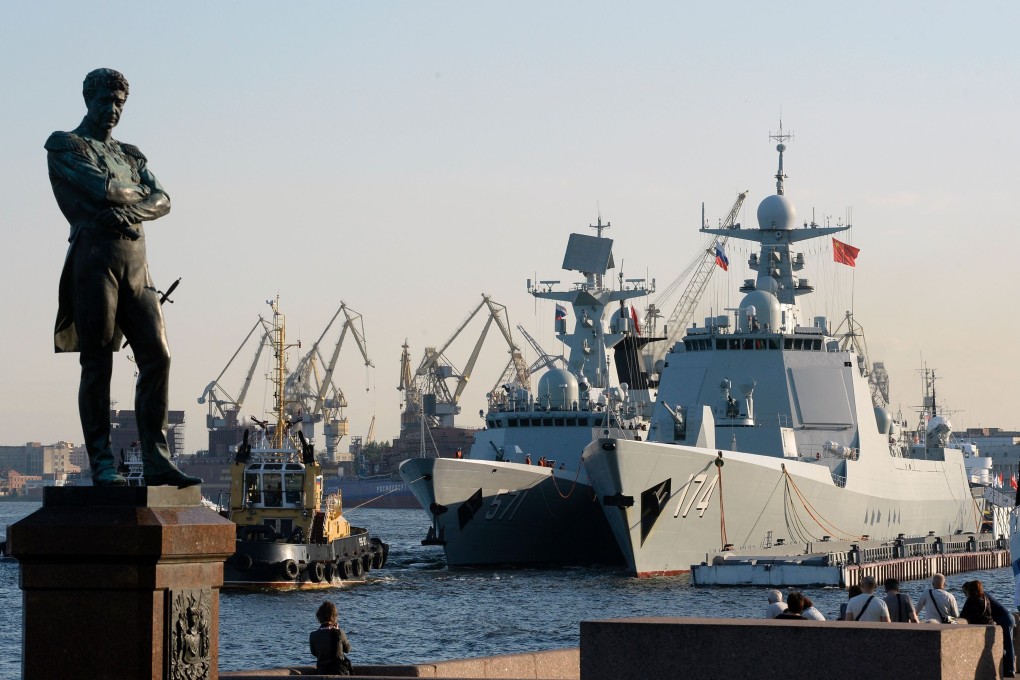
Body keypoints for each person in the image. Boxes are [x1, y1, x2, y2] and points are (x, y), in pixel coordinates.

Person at [46, 69, 200, 488]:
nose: (112, 110)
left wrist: (132, 206)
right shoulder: (65, 144)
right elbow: (105, 189)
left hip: (137, 265)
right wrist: (137, 195)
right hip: (94, 261)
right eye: (105, 101)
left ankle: (156, 458)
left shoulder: (131, 154)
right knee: (97, 362)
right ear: (87, 98)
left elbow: (164, 199)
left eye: (119, 103)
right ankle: (102, 463)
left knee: (158, 355)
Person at [309, 601, 352, 675]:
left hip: (321, 671)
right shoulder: (339, 632)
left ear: (319, 616)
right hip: (339, 672)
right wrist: (337, 632)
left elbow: (314, 653)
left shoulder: (313, 635)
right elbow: (347, 649)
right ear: (334, 616)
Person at [985, 585, 1017, 678]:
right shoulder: (986, 595)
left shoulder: (983, 597)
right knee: (1009, 645)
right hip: (1008, 618)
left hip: (1006, 619)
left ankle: (1010, 670)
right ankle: (1009, 669)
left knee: (1008, 645)